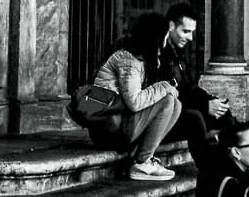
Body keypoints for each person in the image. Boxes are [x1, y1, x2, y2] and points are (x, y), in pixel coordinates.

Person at [72, 20, 182, 181]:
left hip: (119, 124)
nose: (165, 44)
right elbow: (134, 102)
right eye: (164, 38)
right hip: (108, 130)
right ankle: (142, 162)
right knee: (167, 101)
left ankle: (145, 156)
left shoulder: (141, 59)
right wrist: (164, 86)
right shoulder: (128, 61)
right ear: (155, 40)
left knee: (175, 103)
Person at [151, 4, 233, 162]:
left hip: (181, 108)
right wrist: (204, 105)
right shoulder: (159, 52)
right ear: (171, 26)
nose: (190, 38)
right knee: (194, 118)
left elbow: (189, 87)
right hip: (163, 116)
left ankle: (230, 164)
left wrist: (211, 100)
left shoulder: (177, 51)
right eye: (185, 31)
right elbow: (168, 93)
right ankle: (208, 171)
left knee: (224, 114)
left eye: (192, 32)